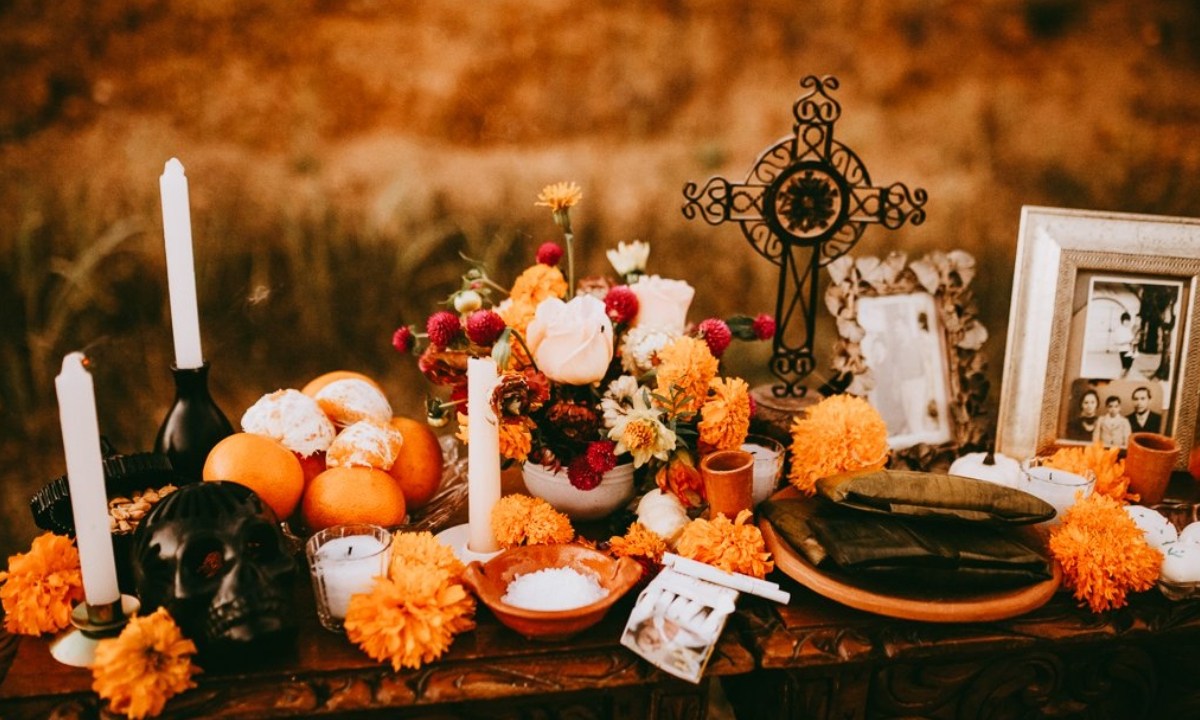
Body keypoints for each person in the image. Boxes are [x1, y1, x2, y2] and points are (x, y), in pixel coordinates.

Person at [1112, 312, 1136, 378]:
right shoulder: (1119, 329)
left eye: (1128, 321)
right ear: (1122, 321)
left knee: (1129, 367)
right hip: (1123, 350)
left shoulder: (1128, 329)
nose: (1127, 323)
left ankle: (1124, 379)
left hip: (1130, 350)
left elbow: (1132, 339)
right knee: (1124, 367)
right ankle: (1120, 380)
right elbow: (1118, 341)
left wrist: (1134, 341)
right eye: (1126, 321)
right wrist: (1128, 341)